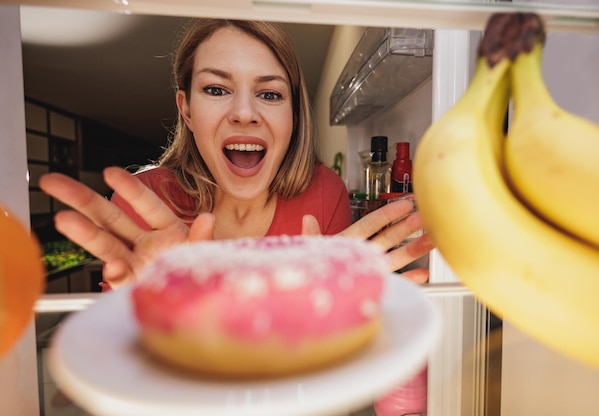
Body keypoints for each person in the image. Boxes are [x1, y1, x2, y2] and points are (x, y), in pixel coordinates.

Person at [39, 18, 433, 291]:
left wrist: (330, 310)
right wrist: (147, 312)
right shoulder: (142, 203)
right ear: (187, 109)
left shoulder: (325, 192)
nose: (245, 113)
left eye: (270, 94)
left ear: (293, 115)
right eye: (216, 89)